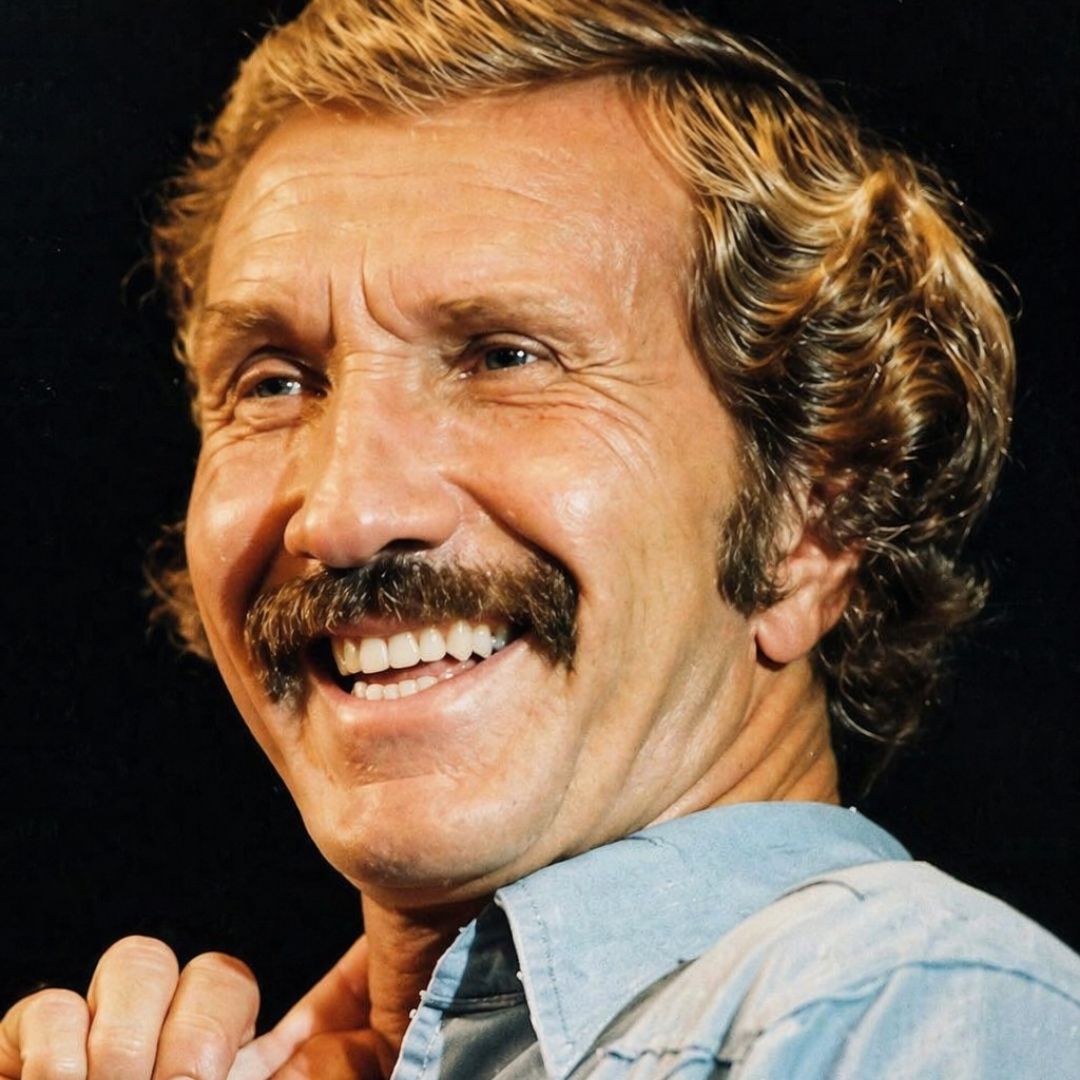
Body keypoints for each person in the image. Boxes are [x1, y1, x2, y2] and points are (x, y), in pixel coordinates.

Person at [2, 0, 1077, 1076]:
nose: (343, 514)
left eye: (504, 359)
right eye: (275, 383)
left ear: (811, 524)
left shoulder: (906, 1006)